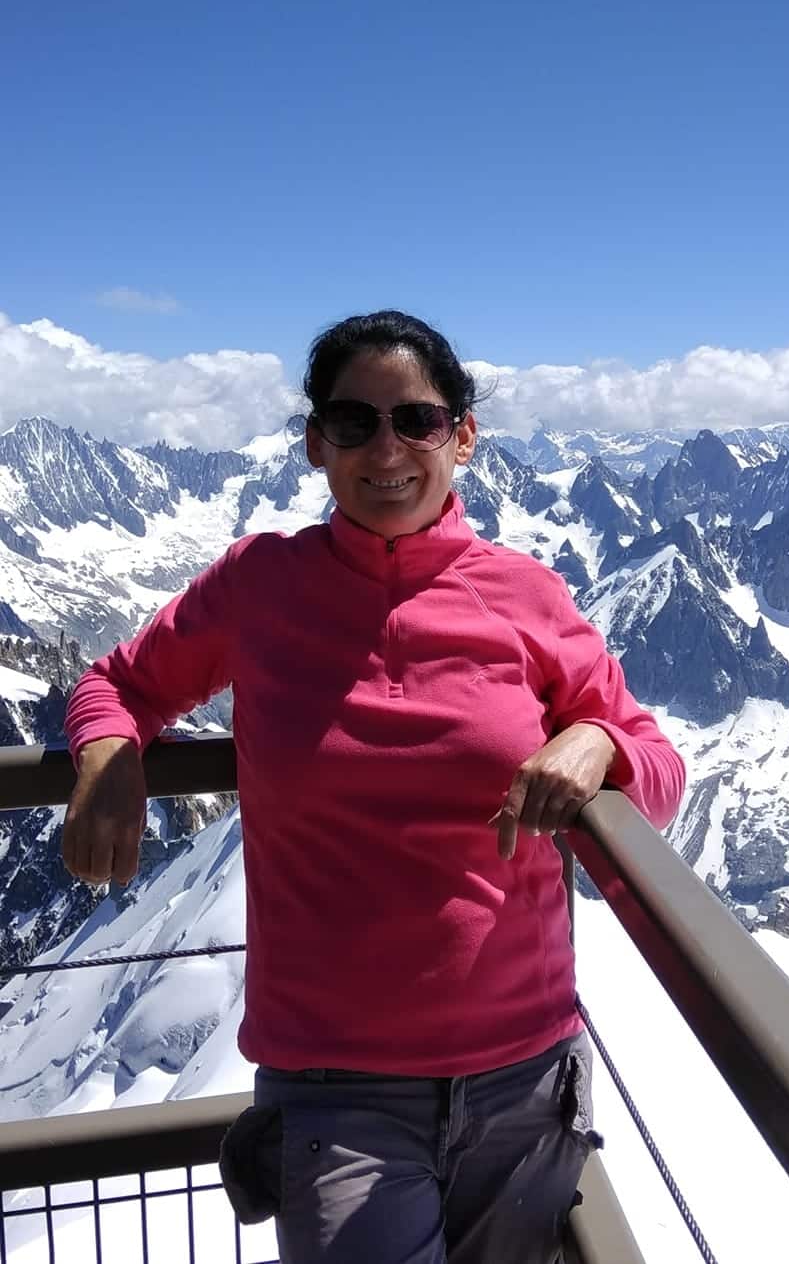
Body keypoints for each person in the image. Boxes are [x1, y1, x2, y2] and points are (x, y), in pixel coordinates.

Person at [61, 310, 686, 1263]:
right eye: (354, 423)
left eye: (417, 421)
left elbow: (658, 770)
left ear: (462, 437)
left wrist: (598, 739)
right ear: (316, 443)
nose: (386, 450)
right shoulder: (259, 584)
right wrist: (110, 758)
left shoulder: (527, 594)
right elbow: (119, 683)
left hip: (524, 1074)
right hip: (334, 1090)